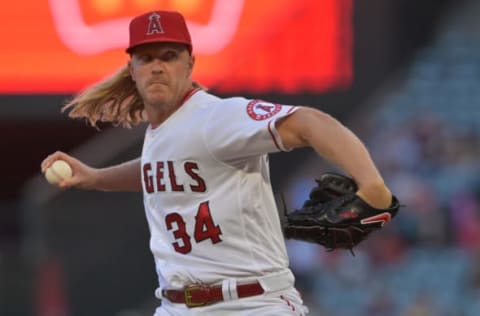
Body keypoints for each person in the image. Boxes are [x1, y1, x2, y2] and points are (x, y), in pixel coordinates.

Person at [41, 10, 394, 316]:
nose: (157, 67)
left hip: (251, 303)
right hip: (177, 305)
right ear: (131, 68)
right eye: (146, 58)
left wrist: (372, 185)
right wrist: (97, 177)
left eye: (169, 55)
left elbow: (310, 123)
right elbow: (159, 170)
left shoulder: (216, 117)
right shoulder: (164, 130)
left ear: (190, 63)